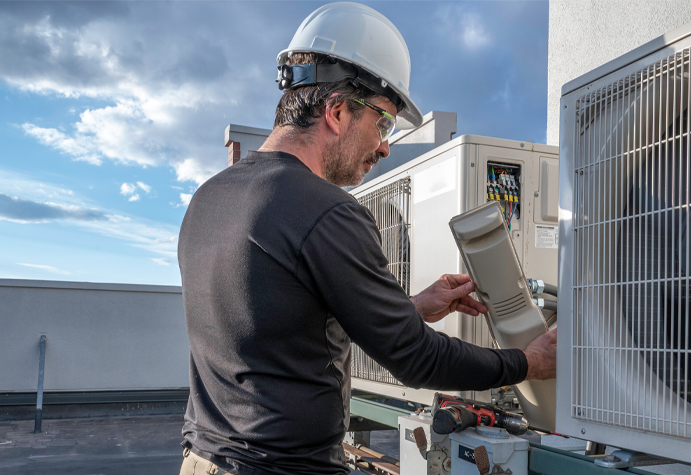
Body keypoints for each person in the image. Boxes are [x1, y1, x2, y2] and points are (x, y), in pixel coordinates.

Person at [176, 3, 557, 475]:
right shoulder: (326, 211)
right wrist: (527, 362)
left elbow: (283, 326)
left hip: (203, 459)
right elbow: (416, 360)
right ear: (336, 111)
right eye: (383, 123)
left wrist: (409, 308)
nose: (384, 146)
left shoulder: (209, 199)